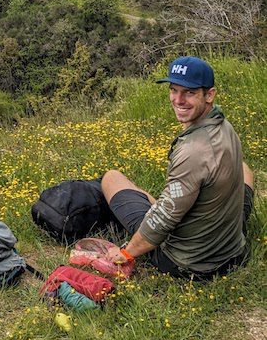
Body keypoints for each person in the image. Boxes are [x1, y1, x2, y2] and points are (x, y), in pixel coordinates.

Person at [101, 56, 254, 279]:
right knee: (244, 169)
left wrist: (125, 253)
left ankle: (158, 205)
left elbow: (163, 220)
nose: (178, 100)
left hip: (191, 263)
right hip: (233, 248)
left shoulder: (193, 152)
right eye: (174, 90)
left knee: (111, 178)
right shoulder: (225, 126)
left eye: (189, 92)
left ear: (209, 95)